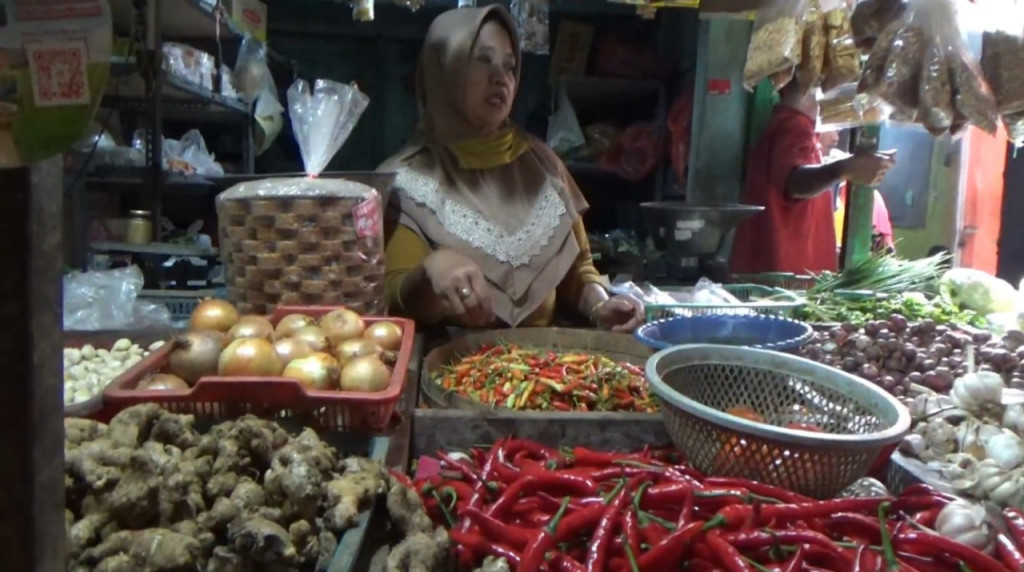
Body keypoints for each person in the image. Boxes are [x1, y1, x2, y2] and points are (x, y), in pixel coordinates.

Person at [380, 6, 644, 331]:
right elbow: (392, 301)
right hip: (451, 369)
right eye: (482, 59)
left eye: (510, 66)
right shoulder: (407, 181)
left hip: (544, 370)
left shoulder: (542, 164)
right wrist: (428, 274)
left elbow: (576, 270)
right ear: (444, 68)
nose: (501, 77)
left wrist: (599, 305)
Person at [729, 81, 896, 276]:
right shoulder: (793, 126)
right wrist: (845, 168)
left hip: (782, 277)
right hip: (782, 284)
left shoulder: (791, 127)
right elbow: (795, 182)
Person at [819, 129, 896, 254]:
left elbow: (886, 249)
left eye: (837, 132)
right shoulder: (822, 192)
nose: (835, 138)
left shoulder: (871, 199)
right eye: (829, 130)